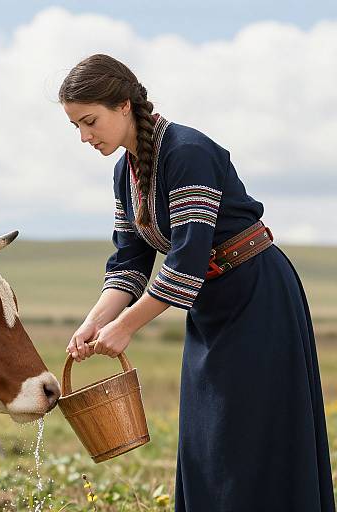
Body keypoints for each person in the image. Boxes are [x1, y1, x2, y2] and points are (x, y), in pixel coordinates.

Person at [58, 54, 335, 512]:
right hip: (209, 310)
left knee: (251, 438)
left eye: (90, 121)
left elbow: (185, 259)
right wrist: (95, 321)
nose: (85, 136)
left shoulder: (187, 152)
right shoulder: (123, 170)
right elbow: (130, 259)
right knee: (208, 443)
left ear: (124, 105)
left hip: (257, 299)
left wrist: (126, 327)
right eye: (76, 127)